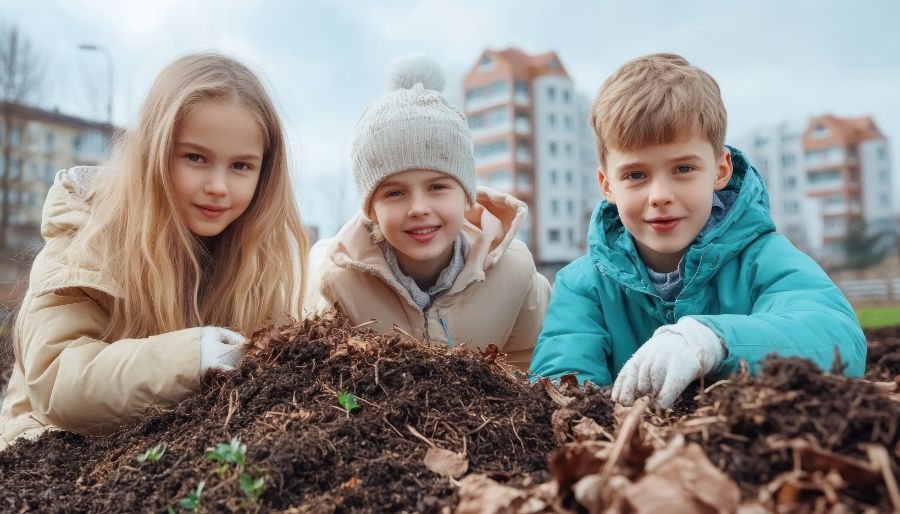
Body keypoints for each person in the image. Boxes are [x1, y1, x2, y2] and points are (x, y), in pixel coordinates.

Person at [0, 53, 309, 450]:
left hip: (168, 455)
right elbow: (58, 380)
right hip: (53, 455)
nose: (218, 185)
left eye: (241, 166)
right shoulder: (87, 237)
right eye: (195, 157)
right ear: (153, 153)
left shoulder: (254, 258)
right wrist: (193, 360)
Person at [529, 53, 866, 408]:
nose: (660, 196)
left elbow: (838, 340)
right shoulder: (584, 285)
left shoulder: (763, 259)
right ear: (607, 184)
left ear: (720, 170)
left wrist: (716, 340)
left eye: (683, 168)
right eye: (636, 175)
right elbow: (559, 385)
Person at [306, 54, 550, 370]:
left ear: (467, 197)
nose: (419, 208)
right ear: (372, 210)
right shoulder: (341, 284)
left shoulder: (515, 274)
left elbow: (529, 367)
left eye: (437, 187)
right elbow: (328, 382)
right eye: (394, 193)